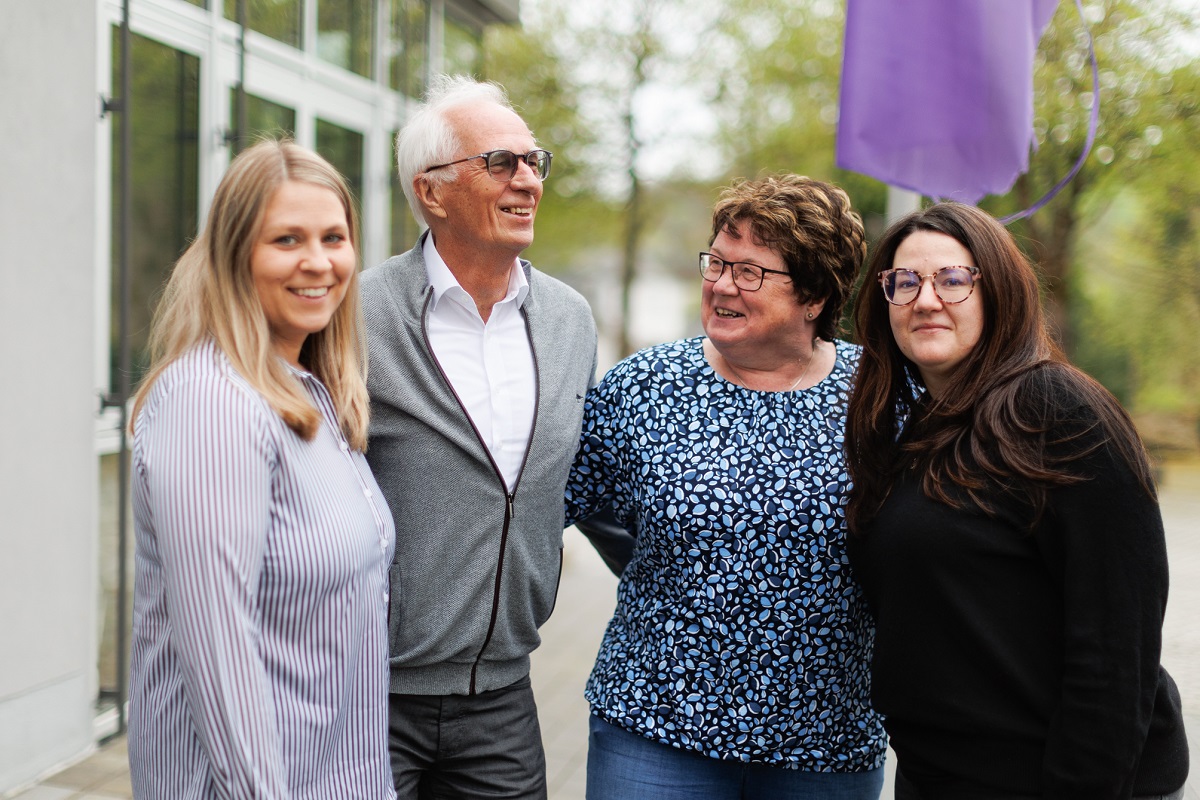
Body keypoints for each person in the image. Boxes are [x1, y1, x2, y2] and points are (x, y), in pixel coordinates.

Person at [845, 201, 1190, 799]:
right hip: (943, 777)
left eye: (953, 279)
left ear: (997, 292)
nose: (926, 299)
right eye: (905, 282)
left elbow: (1117, 643)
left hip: (1067, 781)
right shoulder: (910, 426)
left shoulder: (1060, 412)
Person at [564, 175, 888, 800]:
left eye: (751, 272)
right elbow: (565, 499)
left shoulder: (878, 398)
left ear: (816, 296)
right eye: (716, 261)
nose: (719, 284)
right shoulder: (647, 385)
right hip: (655, 730)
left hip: (825, 740)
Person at [126, 140, 395, 799]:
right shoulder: (213, 403)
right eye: (286, 239)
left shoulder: (310, 391)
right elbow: (219, 654)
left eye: (334, 237)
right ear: (235, 255)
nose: (318, 262)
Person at [361, 75, 597, 799]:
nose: (528, 180)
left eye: (535, 162)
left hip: (503, 698)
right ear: (431, 191)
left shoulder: (570, 320)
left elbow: (588, 484)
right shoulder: (356, 314)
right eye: (502, 163)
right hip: (366, 693)